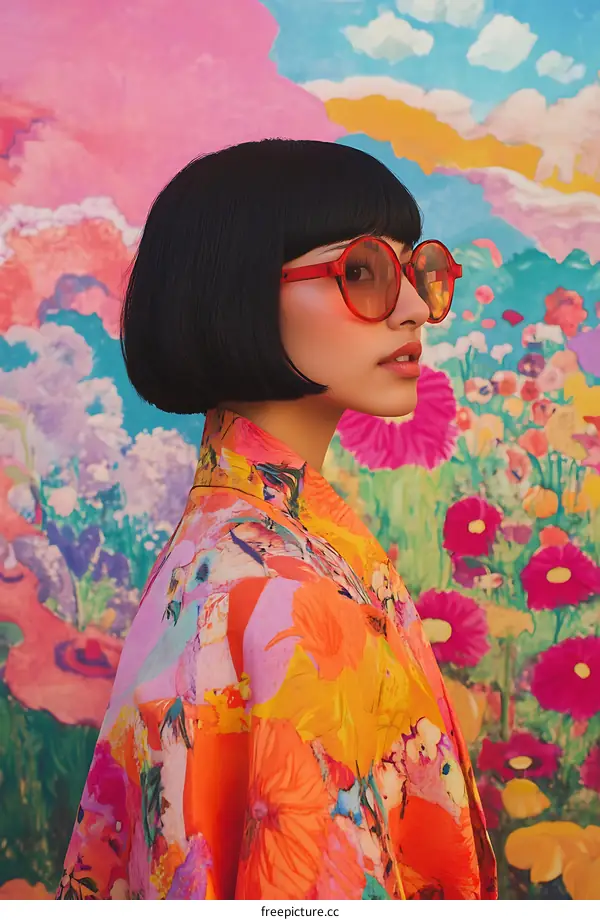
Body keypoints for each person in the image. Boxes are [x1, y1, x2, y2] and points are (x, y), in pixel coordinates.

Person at [57, 139, 497, 901]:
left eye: (416, 270)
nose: (416, 307)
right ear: (239, 292)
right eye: (361, 271)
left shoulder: (248, 538)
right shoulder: (275, 583)